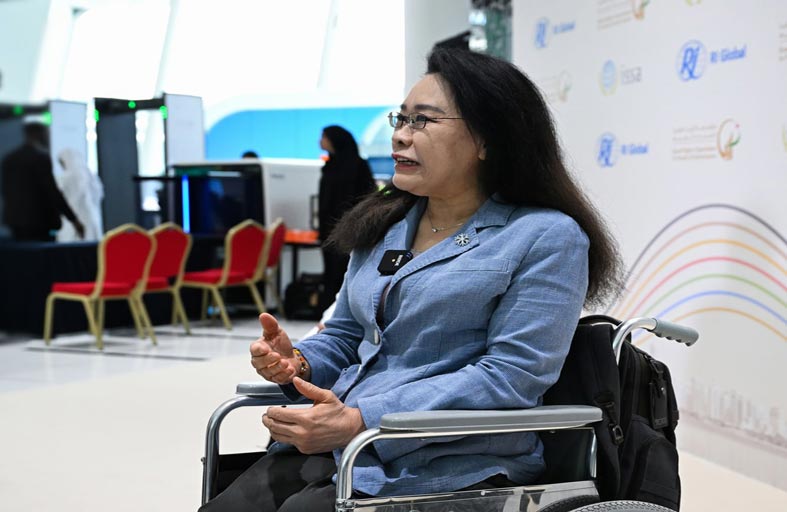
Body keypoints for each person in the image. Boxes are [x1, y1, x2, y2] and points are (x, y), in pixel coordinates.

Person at [199, 47, 621, 511]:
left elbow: (511, 376)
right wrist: (297, 363)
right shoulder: (383, 224)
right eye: (400, 119)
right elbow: (346, 336)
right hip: (337, 447)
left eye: (423, 121)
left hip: (451, 465)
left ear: (486, 139)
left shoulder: (545, 236)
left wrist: (364, 419)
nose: (401, 135)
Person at [317, 125, 376, 308]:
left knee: (347, 270)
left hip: (352, 229)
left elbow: (368, 197)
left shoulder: (358, 165)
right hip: (328, 229)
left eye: (324, 137)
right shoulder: (329, 165)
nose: (320, 141)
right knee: (330, 271)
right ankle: (327, 310)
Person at [1, 122, 84, 242]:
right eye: (46, 133)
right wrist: (73, 220)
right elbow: (52, 192)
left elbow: (5, 190)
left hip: (15, 221)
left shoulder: (10, 159)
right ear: (38, 134)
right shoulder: (41, 158)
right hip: (40, 221)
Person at [56, 148, 104, 242]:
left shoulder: (64, 178)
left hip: (72, 223)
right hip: (92, 221)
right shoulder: (93, 178)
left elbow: (58, 199)